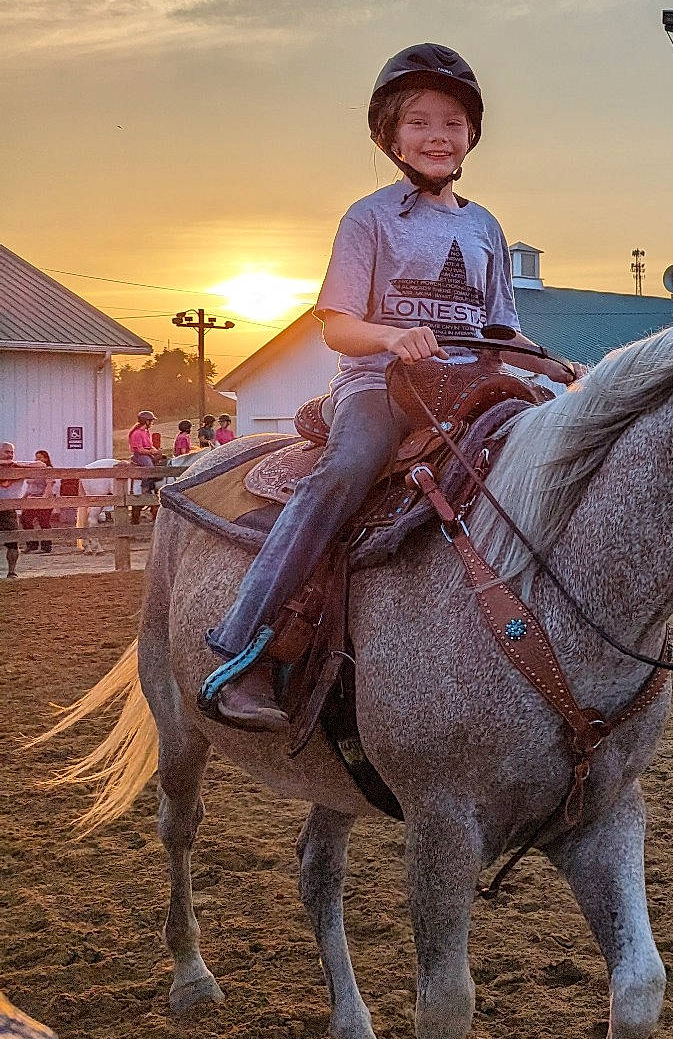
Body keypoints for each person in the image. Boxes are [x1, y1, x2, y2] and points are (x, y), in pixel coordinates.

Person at [199, 42, 520, 730]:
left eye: (453, 124)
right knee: (346, 467)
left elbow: (501, 334)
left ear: (472, 137)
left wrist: (562, 369)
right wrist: (390, 337)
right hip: (378, 384)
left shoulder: (486, 226)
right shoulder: (368, 219)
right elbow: (338, 326)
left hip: (466, 388)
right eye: (420, 122)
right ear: (390, 135)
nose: (438, 136)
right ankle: (239, 652)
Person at [20, 449, 56, 552]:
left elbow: (49, 484)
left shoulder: (48, 469)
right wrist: (23, 498)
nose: (37, 459)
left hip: (43, 498)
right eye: (36, 457)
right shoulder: (33, 471)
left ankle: (46, 547)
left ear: (46, 459)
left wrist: (44, 499)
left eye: (40, 457)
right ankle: (32, 545)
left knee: (43, 522)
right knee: (25, 520)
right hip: (32, 498)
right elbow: (30, 487)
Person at [0, 442, 23, 577]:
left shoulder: (17, 468)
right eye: (6, 452)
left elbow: (41, 465)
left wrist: (18, 464)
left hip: (8, 510)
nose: (10, 455)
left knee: (13, 542)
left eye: (11, 452)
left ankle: (12, 571)